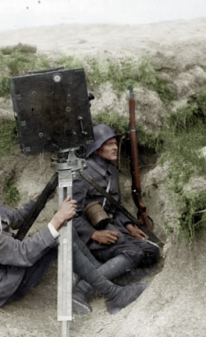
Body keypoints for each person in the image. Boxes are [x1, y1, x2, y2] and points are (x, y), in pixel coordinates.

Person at [0, 158, 147, 314]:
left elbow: (17, 218)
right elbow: (21, 253)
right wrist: (57, 219)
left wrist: (43, 196)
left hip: (7, 268)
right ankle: (113, 294)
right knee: (59, 236)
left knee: (65, 231)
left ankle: (102, 282)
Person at [71, 124, 160, 308]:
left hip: (113, 229)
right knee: (134, 253)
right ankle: (82, 288)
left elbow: (115, 207)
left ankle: (113, 277)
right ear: (96, 149)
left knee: (152, 252)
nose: (115, 147)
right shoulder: (82, 175)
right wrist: (93, 234)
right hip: (93, 238)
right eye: (109, 143)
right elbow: (71, 215)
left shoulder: (111, 171)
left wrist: (129, 226)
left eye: (115, 143)